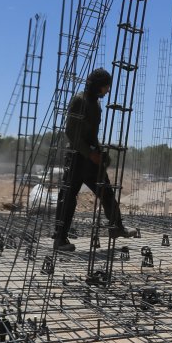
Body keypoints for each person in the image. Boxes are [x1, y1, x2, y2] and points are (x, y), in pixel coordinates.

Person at [53, 67, 136, 253]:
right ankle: (60, 239)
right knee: (67, 198)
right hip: (77, 158)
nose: (108, 90)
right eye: (106, 86)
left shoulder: (96, 104)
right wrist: (90, 154)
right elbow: (71, 133)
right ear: (98, 86)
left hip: (90, 158)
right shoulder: (79, 101)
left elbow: (91, 135)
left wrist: (99, 151)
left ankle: (116, 227)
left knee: (106, 192)